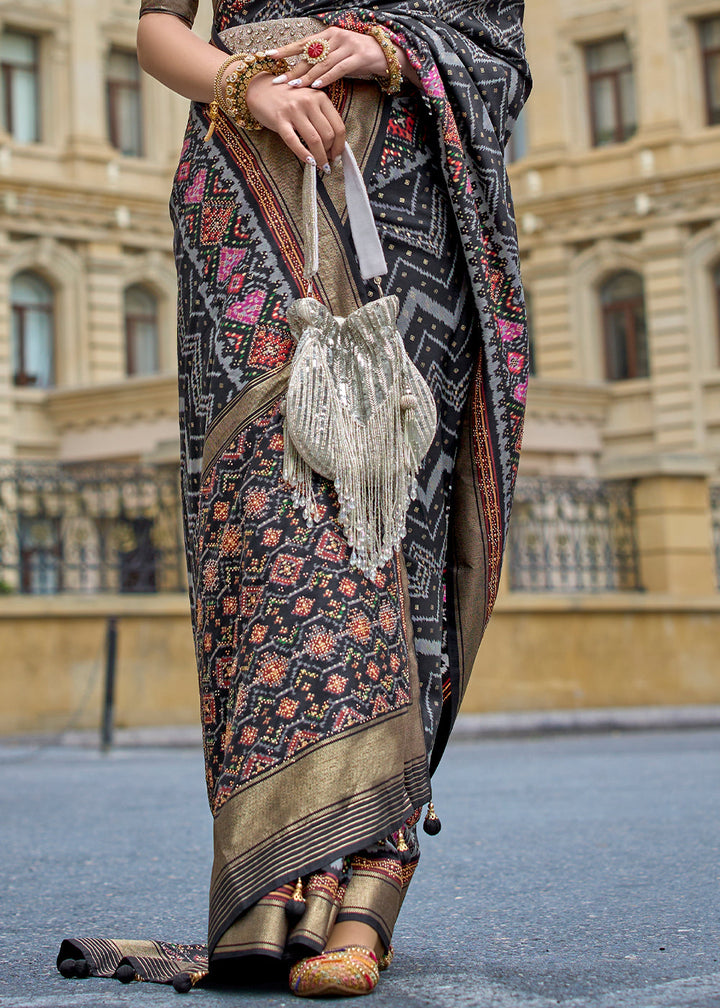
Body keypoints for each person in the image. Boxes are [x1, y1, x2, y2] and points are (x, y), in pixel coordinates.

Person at [56, 0, 531, 998]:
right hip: (243, 197)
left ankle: (373, 872)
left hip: (403, 194)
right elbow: (156, 30)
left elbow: (499, 50)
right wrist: (249, 88)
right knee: (264, 530)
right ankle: (277, 871)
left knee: (390, 516)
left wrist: (388, 50)